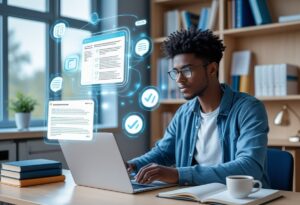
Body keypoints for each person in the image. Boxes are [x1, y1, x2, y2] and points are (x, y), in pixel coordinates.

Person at [127, 28, 270, 187]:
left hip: (241, 198)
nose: (179, 79)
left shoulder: (249, 109)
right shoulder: (184, 113)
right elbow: (163, 152)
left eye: (187, 70)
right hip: (196, 196)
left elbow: (249, 168)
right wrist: (132, 165)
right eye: (176, 72)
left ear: (212, 69)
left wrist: (178, 174)